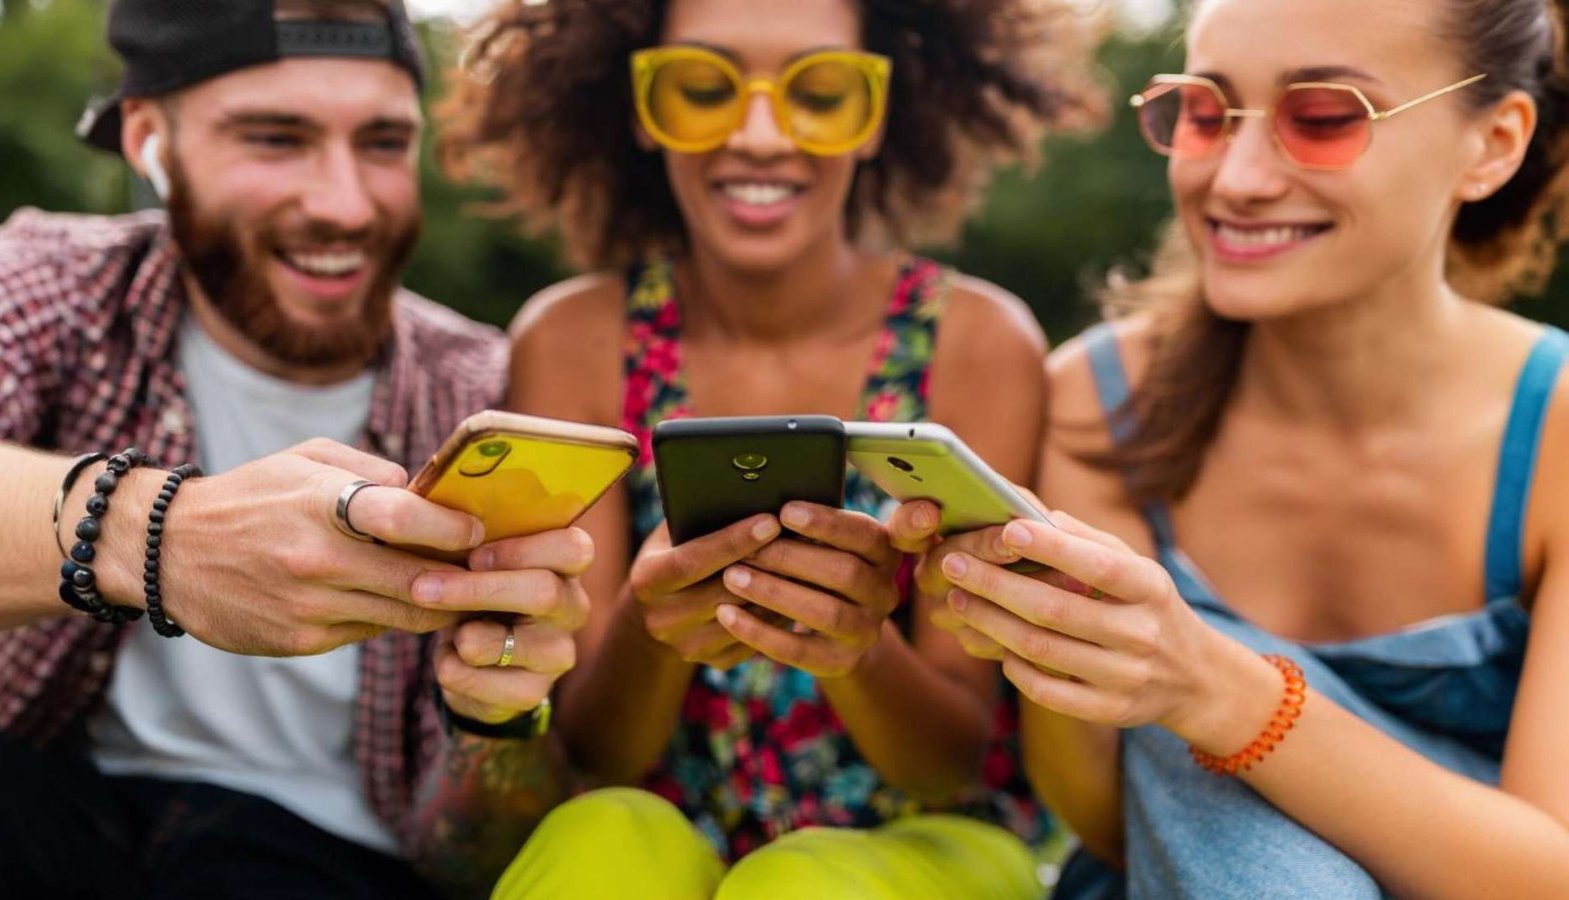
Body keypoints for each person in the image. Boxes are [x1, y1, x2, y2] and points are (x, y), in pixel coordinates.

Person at [890, 0, 1569, 895]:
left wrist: (1212, 687)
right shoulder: (1100, 402)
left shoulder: (1553, 428)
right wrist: (1049, 644)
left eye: (1324, 118)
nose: (1236, 179)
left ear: (1493, 142)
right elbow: (1117, 828)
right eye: (1205, 113)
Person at [437, 0, 1102, 895]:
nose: (757, 135)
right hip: (657, 821)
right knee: (599, 836)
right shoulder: (573, 340)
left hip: (926, 844)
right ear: (643, 113)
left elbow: (954, 763)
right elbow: (595, 754)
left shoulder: (977, 343)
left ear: (875, 121)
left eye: (820, 93)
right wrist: (650, 622)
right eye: (701, 89)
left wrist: (857, 648)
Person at [0, 1, 586, 897]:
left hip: (333, 862)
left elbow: (476, 861)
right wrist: (167, 539)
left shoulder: (482, 393)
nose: (344, 203)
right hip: (53, 809)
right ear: (150, 142)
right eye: (275, 139)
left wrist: (500, 721)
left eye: (381, 143)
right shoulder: (53, 284)